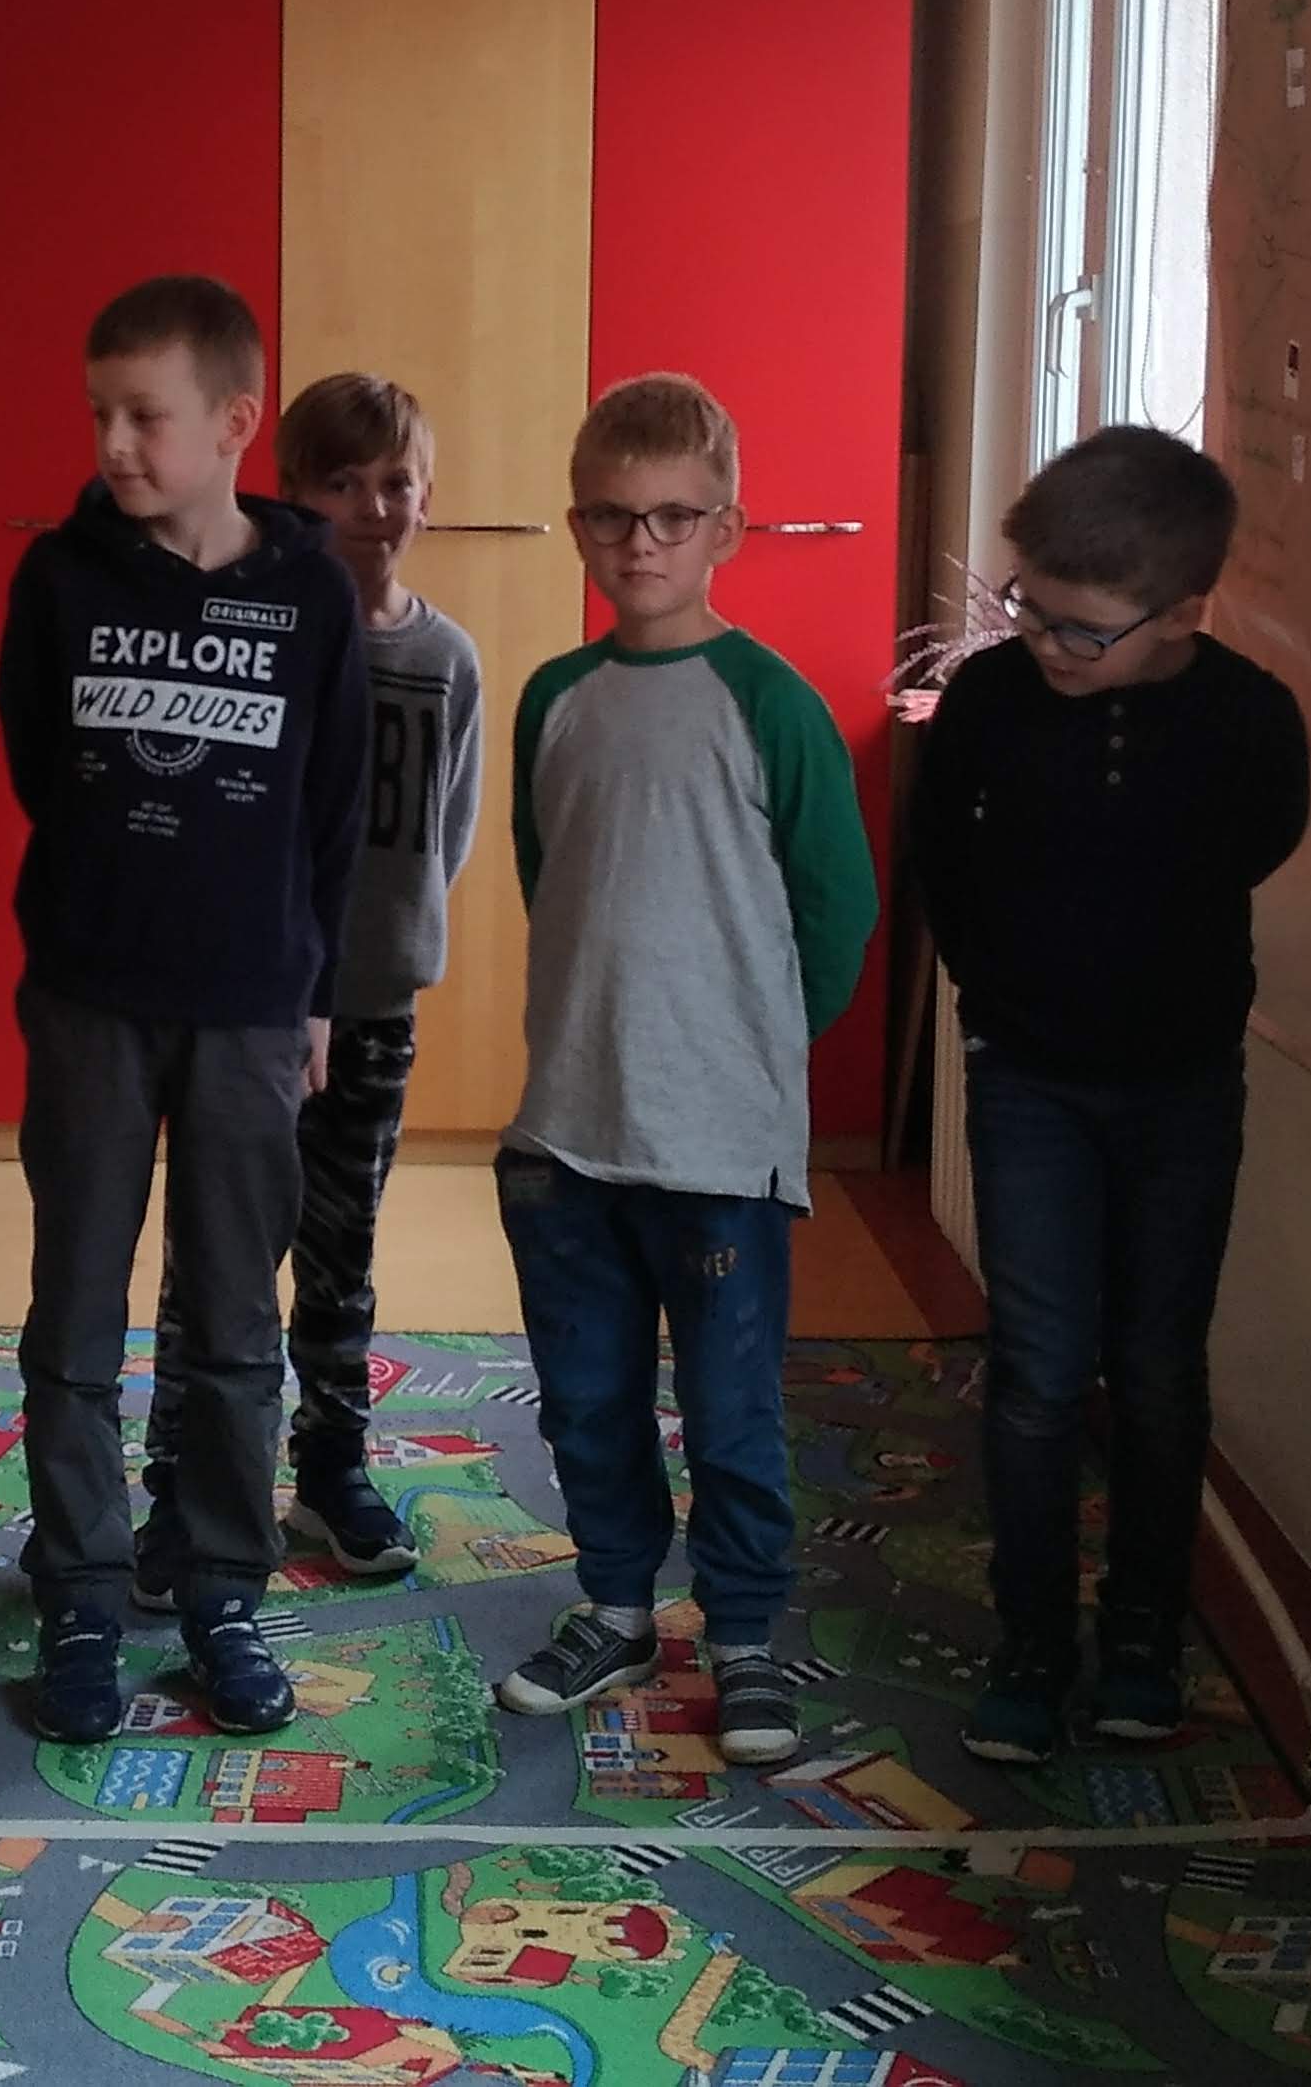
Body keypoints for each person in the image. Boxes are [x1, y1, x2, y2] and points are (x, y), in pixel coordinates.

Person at [0, 273, 367, 1746]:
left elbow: (332, 814)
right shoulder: (59, 579)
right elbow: (39, 762)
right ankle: (83, 1589)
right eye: (100, 414)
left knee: (232, 1317)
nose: (114, 445)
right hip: (92, 998)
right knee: (76, 1310)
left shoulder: (312, 596)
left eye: (144, 416)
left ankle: (219, 1586)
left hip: (251, 1008)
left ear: (233, 421)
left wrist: (315, 994)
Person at [488, 373, 873, 1773]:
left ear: (726, 529)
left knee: (731, 1407)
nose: (639, 542)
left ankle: (747, 1629)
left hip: (718, 1144)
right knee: (586, 1396)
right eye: (611, 516)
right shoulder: (556, 700)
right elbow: (550, 876)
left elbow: (836, 910)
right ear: (578, 525)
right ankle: (615, 1607)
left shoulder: (770, 703)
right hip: (568, 1133)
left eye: (671, 516)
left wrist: (748, 1050)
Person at [907, 424, 1308, 1761]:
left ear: (1184, 611)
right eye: (1031, 610)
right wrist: (990, 992)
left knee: (1156, 1367)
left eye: (1082, 629)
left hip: (1183, 1088)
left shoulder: (1250, 720)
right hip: (1027, 1079)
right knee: (1035, 1368)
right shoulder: (991, 700)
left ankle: (1142, 1634)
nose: (1045, 645)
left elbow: (1256, 848)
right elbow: (939, 852)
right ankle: (1032, 1639)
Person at [136, 372, 482, 1604]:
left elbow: (446, 830)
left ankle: (331, 1466)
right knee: (214, 1255)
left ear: (426, 495)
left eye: (395, 482)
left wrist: (382, 945)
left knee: (344, 1251)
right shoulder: (260, 641)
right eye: (342, 483)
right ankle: (180, 1485)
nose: (373, 507)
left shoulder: (445, 656)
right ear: (290, 496)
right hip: (248, 1006)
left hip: (376, 1002)